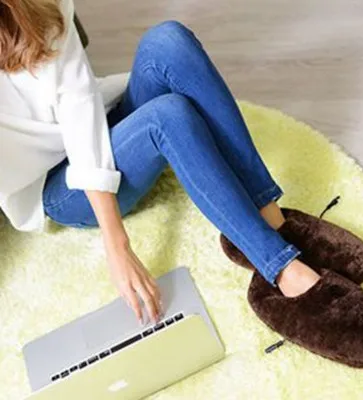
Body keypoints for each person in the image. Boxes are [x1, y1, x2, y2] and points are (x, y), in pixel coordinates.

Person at [0, 0, 321, 326]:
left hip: (101, 122)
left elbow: (79, 110)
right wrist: (117, 244)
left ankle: (271, 217)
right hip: (59, 186)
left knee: (168, 41)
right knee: (168, 116)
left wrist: (115, 242)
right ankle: (281, 269)